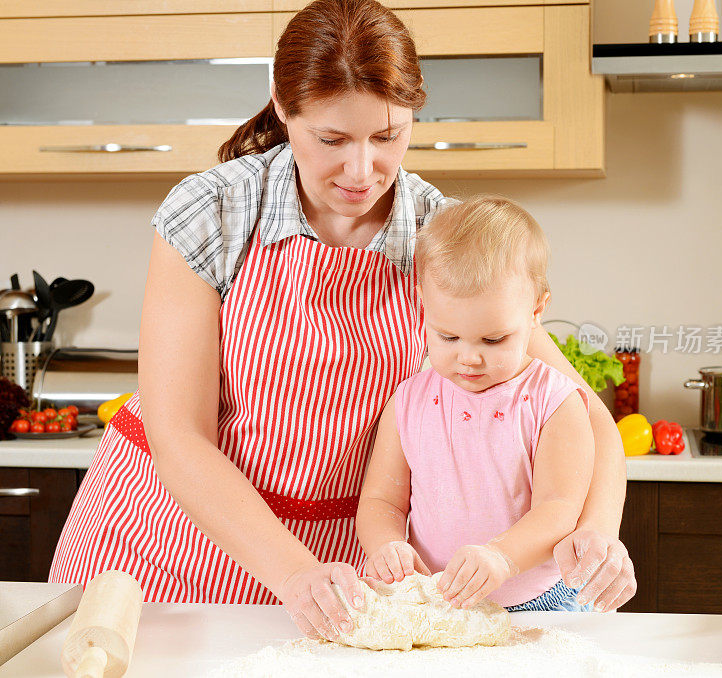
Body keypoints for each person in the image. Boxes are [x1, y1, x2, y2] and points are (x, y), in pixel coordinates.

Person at [49, 0, 634, 643]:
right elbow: (179, 436)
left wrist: (598, 532)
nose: (362, 172)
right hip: (171, 540)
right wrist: (294, 572)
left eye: (388, 137)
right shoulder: (213, 210)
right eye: (332, 140)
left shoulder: (438, 233)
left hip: (348, 560)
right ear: (282, 104)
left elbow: (585, 414)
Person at [357, 195, 596, 612]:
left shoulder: (555, 402)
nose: (469, 357)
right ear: (423, 306)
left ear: (537, 310)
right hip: (437, 602)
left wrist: (502, 557)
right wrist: (387, 544)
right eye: (447, 337)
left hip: (537, 601)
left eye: (493, 339)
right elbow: (381, 501)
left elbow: (559, 510)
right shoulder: (408, 401)